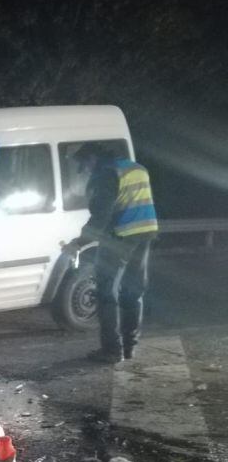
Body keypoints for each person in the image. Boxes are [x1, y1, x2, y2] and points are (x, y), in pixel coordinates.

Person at [62, 143, 158, 363]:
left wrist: (79, 242)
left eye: (84, 165)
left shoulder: (106, 175)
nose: (85, 170)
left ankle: (112, 350)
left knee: (106, 292)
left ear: (92, 158)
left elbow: (101, 216)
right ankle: (129, 347)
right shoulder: (137, 168)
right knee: (133, 292)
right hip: (145, 233)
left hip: (119, 235)